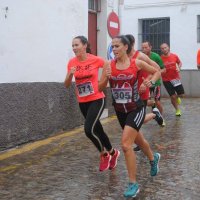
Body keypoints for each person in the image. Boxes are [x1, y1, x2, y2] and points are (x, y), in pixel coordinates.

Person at [100, 35, 161, 198]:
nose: (114, 49)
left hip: (136, 107)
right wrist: (105, 76)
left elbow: (156, 71)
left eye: (117, 46)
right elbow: (100, 87)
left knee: (126, 145)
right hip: (120, 110)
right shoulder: (109, 65)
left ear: (126, 47)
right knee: (138, 140)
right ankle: (153, 158)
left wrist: (150, 82)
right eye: (112, 47)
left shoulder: (137, 62)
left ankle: (133, 184)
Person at [64, 35, 120, 172]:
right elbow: (66, 85)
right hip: (82, 101)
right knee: (98, 130)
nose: (74, 48)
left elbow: (108, 63)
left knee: (88, 130)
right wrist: (70, 75)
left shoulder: (94, 59)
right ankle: (114, 153)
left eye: (76, 45)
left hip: (97, 99)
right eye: (72, 46)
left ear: (84, 45)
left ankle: (104, 154)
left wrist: (103, 80)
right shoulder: (72, 62)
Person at [142, 41, 165, 126]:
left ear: (150, 47)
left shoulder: (156, 56)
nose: (144, 49)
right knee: (146, 102)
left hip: (155, 83)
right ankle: (153, 105)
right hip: (145, 83)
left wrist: (154, 75)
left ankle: (161, 118)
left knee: (158, 102)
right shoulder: (141, 57)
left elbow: (163, 69)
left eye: (146, 47)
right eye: (143, 48)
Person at [160, 43, 184, 116]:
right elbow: (157, 68)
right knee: (172, 96)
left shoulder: (174, 56)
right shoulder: (160, 58)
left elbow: (180, 63)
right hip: (166, 80)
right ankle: (177, 110)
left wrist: (179, 68)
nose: (164, 49)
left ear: (168, 48)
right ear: (161, 50)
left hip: (175, 78)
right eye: (162, 48)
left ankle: (177, 98)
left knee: (181, 95)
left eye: (165, 47)